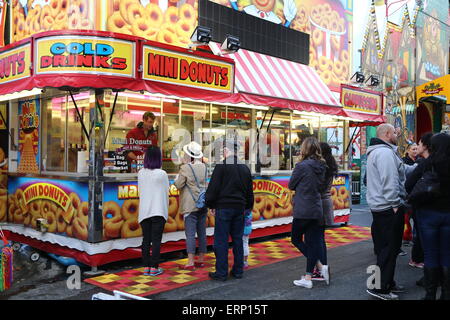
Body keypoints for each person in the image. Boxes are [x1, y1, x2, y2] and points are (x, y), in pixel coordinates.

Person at [406, 133, 450, 300]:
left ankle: (430, 294)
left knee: (431, 253)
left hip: (428, 214)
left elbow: (409, 184)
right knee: (447, 253)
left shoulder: (427, 164)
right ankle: (446, 294)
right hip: (448, 214)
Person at [365, 123, 407, 300]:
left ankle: (386, 282)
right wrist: (395, 203)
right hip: (388, 207)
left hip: (380, 206)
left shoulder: (378, 152)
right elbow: (389, 180)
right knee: (389, 249)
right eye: (395, 133)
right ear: (388, 133)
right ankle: (380, 288)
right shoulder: (384, 153)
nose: (397, 135)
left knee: (386, 248)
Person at [206, 138, 254, 281]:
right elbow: (249, 192)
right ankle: (238, 270)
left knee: (221, 241)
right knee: (238, 240)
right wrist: (248, 207)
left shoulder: (221, 166)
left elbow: (213, 189)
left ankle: (221, 272)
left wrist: (210, 204)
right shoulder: (245, 168)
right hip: (239, 208)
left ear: (226, 150)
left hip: (224, 208)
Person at [288, 136, 327, 289]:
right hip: (316, 208)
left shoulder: (301, 166)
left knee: (296, 239)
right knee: (312, 242)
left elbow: (291, 184)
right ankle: (309, 276)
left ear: (304, 149)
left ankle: (318, 265)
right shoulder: (322, 166)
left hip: (302, 209)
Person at [174, 142, 208, 270]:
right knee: (202, 232)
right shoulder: (204, 167)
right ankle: (201, 259)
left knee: (190, 233)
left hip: (190, 204)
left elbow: (178, 185)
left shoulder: (185, 168)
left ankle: (190, 261)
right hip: (203, 203)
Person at [138, 146, 168, 276]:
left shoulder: (140, 172)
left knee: (146, 239)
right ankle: (154, 268)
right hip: (158, 210)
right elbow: (166, 192)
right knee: (156, 240)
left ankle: (146, 267)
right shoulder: (162, 174)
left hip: (144, 211)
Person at [311, 142, 338, 284]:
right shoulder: (330, 165)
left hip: (319, 203)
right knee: (320, 238)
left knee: (316, 238)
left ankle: (321, 269)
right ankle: (323, 267)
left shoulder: (321, 166)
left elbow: (316, 187)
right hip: (326, 202)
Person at [408, 133, 433, 271]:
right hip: (438, 209)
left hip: (423, 207)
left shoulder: (424, 163)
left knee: (422, 237)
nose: (417, 146)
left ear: (426, 145)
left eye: (419, 143)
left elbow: (409, 183)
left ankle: (427, 271)